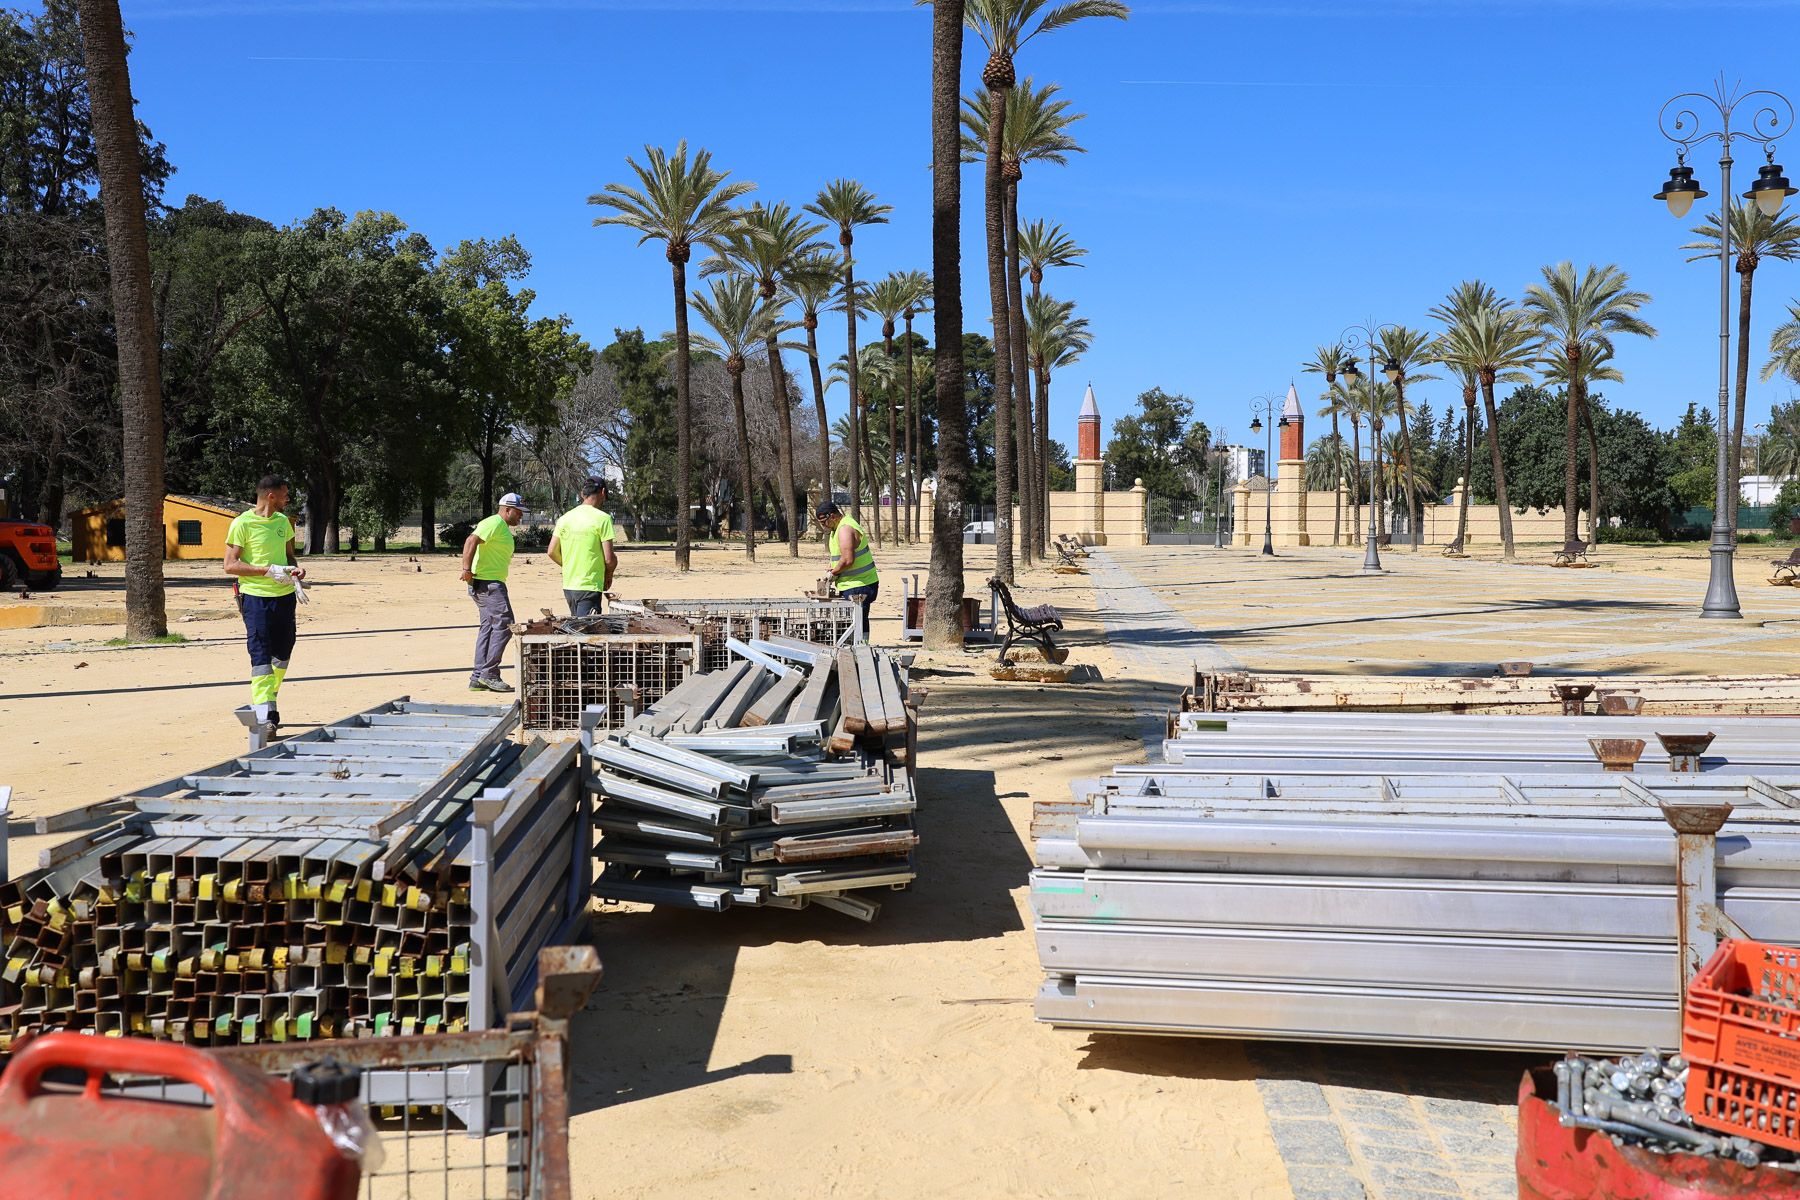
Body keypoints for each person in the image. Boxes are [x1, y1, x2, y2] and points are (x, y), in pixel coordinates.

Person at [223, 475, 305, 730]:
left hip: (284, 598)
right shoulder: (242, 524)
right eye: (285, 494)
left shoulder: (284, 523)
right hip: (256, 598)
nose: (288, 499)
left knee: (283, 652)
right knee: (260, 654)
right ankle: (265, 716)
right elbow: (230, 565)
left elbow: (290, 558)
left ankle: (268, 699)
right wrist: (266, 571)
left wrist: (296, 573)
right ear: (271, 496)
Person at [461, 492, 526, 692]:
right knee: (505, 625)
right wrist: (466, 569)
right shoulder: (494, 523)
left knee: (489, 628)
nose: (521, 516)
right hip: (489, 584)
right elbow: (471, 541)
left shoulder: (500, 526)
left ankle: (478, 677)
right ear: (507, 509)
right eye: (518, 512)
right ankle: (489, 674)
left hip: (488, 583)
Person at [549, 476, 617, 616]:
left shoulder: (564, 518)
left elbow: (551, 551)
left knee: (577, 629)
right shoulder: (603, 519)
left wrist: (569, 565)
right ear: (603, 492)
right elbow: (609, 559)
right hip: (589, 586)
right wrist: (609, 573)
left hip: (569, 586)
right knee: (586, 633)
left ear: (582, 494)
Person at [816, 500, 878, 632]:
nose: (823, 526)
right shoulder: (838, 528)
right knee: (858, 620)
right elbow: (839, 555)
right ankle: (860, 646)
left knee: (857, 622)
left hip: (859, 585)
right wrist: (832, 566)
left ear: (832, 516)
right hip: (854, 584)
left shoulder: (845, 529)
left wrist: (833, 574)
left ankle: (861, 648)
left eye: (824, 522)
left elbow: (848, 560)